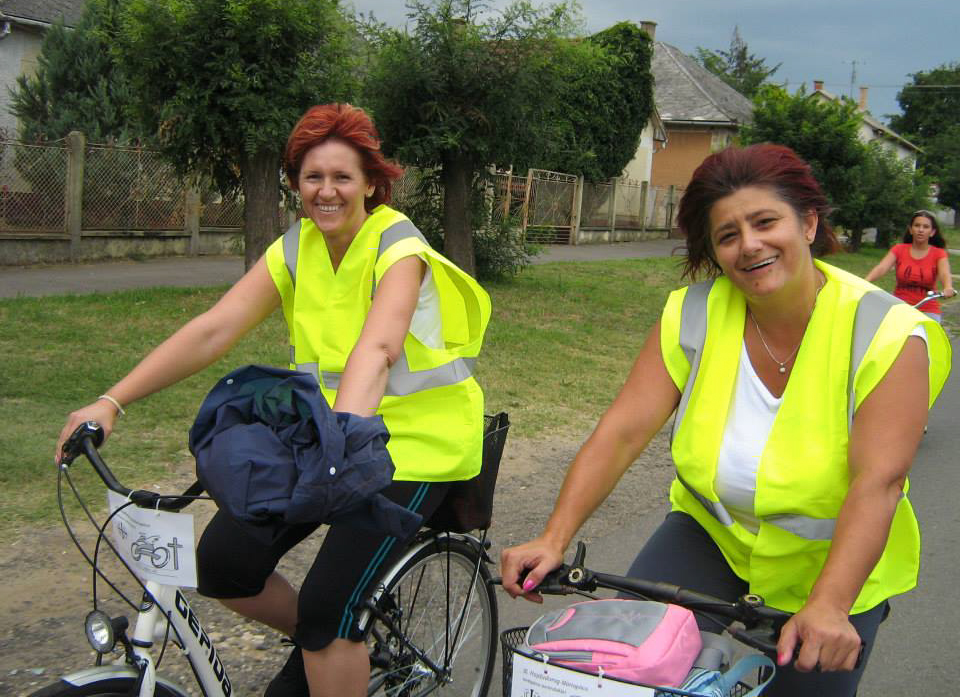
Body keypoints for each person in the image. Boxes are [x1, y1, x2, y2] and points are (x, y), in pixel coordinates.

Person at [56, 103, 491, 697]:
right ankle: (337, 644)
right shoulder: (296, 247)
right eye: (313, 177)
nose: (326, 191)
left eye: (342, 177)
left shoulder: (399, 248)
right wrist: (111, 401)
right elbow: (214, 329)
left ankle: (333, 635)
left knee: (330, 610)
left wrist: (343, 442)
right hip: (330, 437)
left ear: (371, 183)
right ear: (295, 184)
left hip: (418, 446)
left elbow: (378, 349)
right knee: (223, 567)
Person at [500, 144, 950, 697]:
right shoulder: (692, 313)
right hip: (710, 535)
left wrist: (831, 605)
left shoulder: (887, 332)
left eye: (765, 222)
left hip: (833, 559)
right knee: (621, 671)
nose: (750, 244)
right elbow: (621, 432)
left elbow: (878, 481)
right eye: (728, 234)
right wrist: (554, 537)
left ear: (808, 224)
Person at [864, 209, 955, 321]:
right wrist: (865, 281)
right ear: (911, 229)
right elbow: (882, 268)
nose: (920, 230)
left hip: (927, 310)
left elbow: (944, 274)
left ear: (932, 232)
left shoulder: (939, 254)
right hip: (899, 306)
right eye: (917, 225)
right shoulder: (899, 249)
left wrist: (948, 287)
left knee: (927, 331)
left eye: (926, 227)